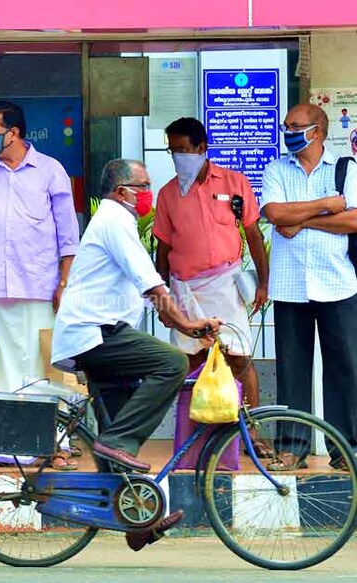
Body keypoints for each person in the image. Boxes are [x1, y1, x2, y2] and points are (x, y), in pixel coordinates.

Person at [52, 158, 219, 552]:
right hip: (94, 334)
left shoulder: (118, 221)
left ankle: (135, 521)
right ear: (120, 190)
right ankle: (118, 442)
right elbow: (153, 285)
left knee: (114, 424)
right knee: (172, 363)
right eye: (142, 186)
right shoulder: (114, 220)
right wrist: (188, 325)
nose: (147, 193)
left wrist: (180, 321)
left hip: (100, 332)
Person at [0, 100, 80, 469]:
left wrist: (64, 281)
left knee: (47, 365)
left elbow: (69, 235)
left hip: (40, 286)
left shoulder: (51, 171)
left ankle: (57, 444)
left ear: (14, 132)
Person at [153, 117, 270, 455]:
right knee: (188, 363)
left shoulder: (234, 182)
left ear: (202, 148)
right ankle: (195, 436)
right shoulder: (168, 194)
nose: (177, 156)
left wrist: (263, 283)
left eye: (183, 149)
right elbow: (162, 248)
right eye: (172, 150)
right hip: (185, 289)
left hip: (225, 284)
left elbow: (253, 235)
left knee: (240, 359)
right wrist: (164, 299)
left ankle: (252, 435)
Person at [260, 103, 357, 472]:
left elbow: (353, 219)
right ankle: (291, 447)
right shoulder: (276, 169)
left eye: (295, 126)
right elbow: (275, 215)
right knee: (292, 370)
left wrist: (304, 220)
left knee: (345, 367)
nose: (288, 131)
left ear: (316, 130)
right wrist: (325, 207)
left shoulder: (346, 169)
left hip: (337, 282)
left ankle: (346, 448)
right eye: (286, 125)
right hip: (290, 286)